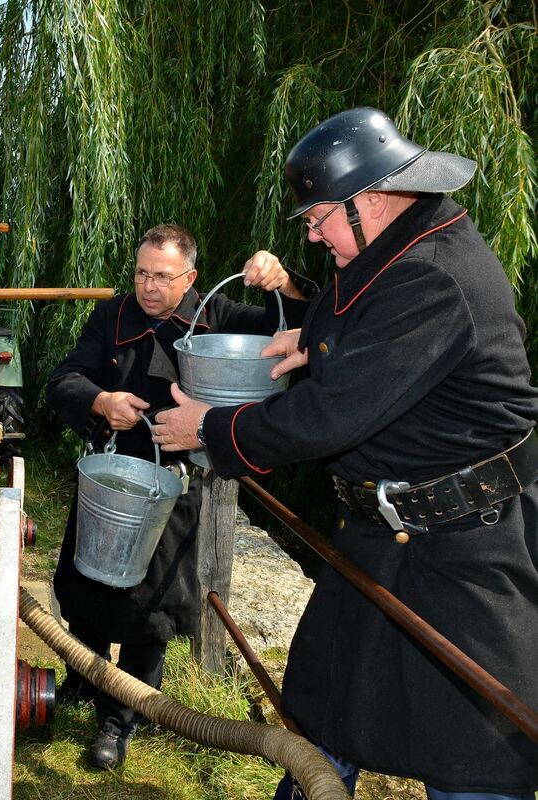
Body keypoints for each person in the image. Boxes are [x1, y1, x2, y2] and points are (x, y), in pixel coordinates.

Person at [152, 108, 538, 799]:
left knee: (476, 754)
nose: (312, 232)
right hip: (382, 539)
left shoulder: (435, 277)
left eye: (319, 217)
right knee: (324, 711)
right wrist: (312, 338)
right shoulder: (403, 245)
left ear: (372, 200)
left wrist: (212, 429)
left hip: (465, 557)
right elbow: (349, 307)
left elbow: (327, 418)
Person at [45, 223, 311, 771]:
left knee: (148, 611)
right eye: (141, 273)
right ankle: (84, 676)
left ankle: (120, 721)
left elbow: (304, 329)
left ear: (190, 278)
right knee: (90, 586)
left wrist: (282, 283)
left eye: (161, 277)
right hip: (113, 471)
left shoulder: (223, 318)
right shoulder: (112, 317)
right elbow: (64, 378)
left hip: (175, 483)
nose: (148, 286)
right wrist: (100, 401)